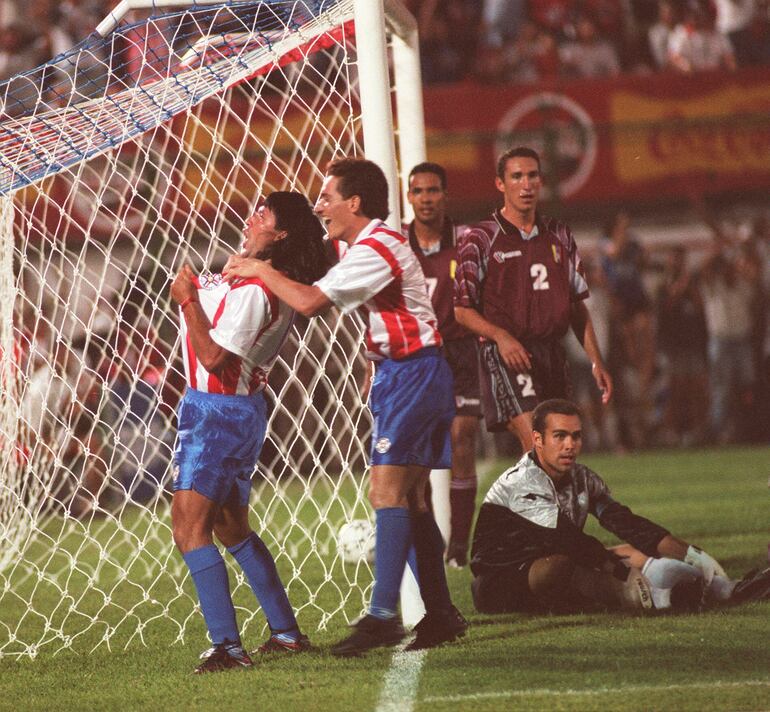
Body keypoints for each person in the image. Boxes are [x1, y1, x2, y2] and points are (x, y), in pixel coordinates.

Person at [223, 157, 466, 656]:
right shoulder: (360, 244)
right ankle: (439, 613)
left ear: (354, 202)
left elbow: (312, 302)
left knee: (386, 493)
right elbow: (312, 251)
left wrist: (258, 268)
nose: (321, 206)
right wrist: (269, 239)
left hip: (414, 374)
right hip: (406, 374)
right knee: (413, 500)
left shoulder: (377, 247)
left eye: (327, 197)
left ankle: (382, 617)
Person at [170, 191, 331, 674]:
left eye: (263, 214)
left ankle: (226, 647)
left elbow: (216, 357)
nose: (251, 216)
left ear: (280, 234)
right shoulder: (250, 272)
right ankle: (285, 633)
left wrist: (188, 301)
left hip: (216, 412)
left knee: (188, 526)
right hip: (232, 411)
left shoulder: (261, 290)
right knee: (230, 527)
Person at [470, 399, 736, 615]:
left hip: (559, 557)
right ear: (538, 439)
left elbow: (627, 523)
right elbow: (568, 539)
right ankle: (654, 597)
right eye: (559, 436)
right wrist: (624, 576)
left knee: (632, 552)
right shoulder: (523, 481)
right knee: (564, 564)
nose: (569, 445)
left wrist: (695, 556)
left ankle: (711, 584)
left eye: (576, 436)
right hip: (499, 582)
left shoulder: (582, 477)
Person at [454, 145, 612, 454]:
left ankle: (528, 503)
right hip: (507, 355)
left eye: (532, 176)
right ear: (500, 184)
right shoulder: (481, 239)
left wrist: (596, 360)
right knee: (540, 448)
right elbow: (462, 311)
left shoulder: (559, 235)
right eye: (516, 177)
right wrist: (501, 337)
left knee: (561, 451)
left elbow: (576, 307)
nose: (525, 185)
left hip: (552, 353)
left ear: (541, 181)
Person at [404, 161, 480, 568]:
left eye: (433, 191)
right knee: (418, 454)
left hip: (461, 350)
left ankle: (460, 545)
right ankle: (432, 542)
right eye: (419, 191)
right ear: (409, 196)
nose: (426, 199)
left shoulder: (466, 240)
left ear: (444, 196)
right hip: (416, 356)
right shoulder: (397, 243)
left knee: (462, 436)